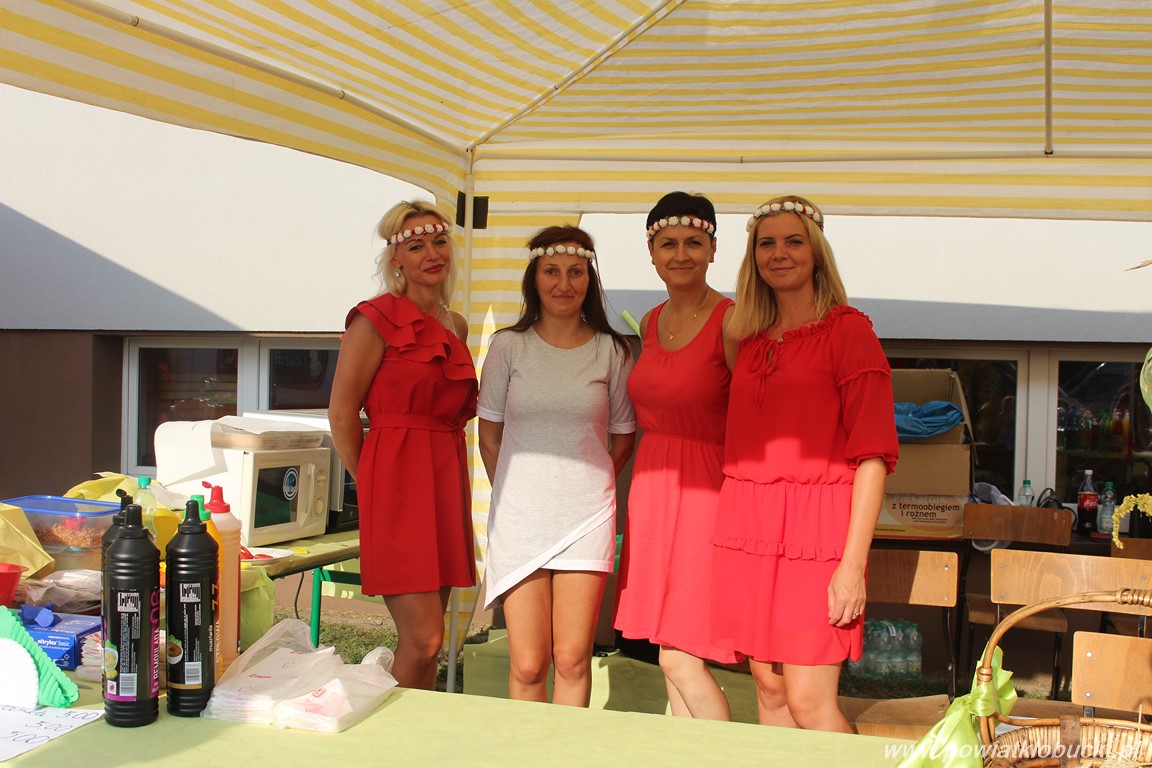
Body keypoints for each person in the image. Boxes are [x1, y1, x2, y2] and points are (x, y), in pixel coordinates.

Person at [711, 196, 898, 731]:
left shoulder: (849, 332)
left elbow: (873, 456)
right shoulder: (745, 336)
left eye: (794, 241)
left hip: (818, 531)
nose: (779, 253)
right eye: (766, 243)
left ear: (816, 252)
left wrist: (852, 565)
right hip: (750, 523)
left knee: (809, 702)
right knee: (769, 689)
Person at [478, 225, 637, 707]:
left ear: (590, 279)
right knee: (528, 664)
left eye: (575, 272)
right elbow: (489, 437)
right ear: (534, 278)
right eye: (552, 271)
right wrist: (519, 495)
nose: (564, 284)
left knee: (572, 659)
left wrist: (587, 484)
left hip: (587, 518)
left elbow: (623, 437)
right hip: (519, 520)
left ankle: (569, 747)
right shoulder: (508, 346)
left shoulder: (612, 350)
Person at [328, 200, 478, 690]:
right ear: (396, 259)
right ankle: (391, 732)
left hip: (444, 480)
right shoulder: (374, 319)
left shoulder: (456, 326)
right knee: (424, 639)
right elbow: (342, 412)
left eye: (439, 242)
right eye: (416, 247)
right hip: (396, 481)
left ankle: (417, 727)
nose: (432, 254)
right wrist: (372, 482)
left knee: (432, 642)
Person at [613, 192, 740, 720]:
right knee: (669, 651)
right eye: (668, 243)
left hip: (707, 492)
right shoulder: (649, 320)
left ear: (713, 250)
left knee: (682, 655)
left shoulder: (732, 321)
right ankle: (690, 752)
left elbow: (754, 416)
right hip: (652, 491)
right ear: (651, 252)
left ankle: (727, 754)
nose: (681, 254)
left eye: (694, 242)